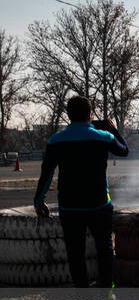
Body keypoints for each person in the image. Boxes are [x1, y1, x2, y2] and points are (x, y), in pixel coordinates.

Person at [33, 96, 129, 288]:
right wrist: (113, 129)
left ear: (68, 115)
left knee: (75, 252)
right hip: (99, 204)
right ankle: (107, 291)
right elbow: (124, 151)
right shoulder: (104, 137)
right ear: (90, 114)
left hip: (70, 206)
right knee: (104, 248)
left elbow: (46, 174)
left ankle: (82, 294)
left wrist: (39, 201)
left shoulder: (55, 140)